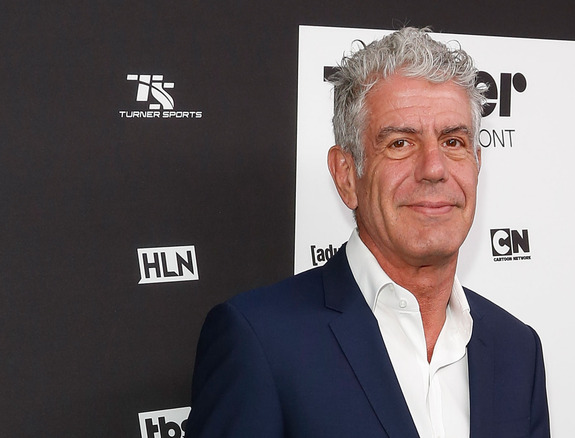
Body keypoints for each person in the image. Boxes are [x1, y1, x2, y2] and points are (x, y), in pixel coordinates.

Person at [188, 27, 550, 437]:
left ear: (477, 163)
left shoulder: (517, 349)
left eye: (453, 141)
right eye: (399, 143)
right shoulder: (260, 342)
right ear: (346, 176)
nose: (434, 168)